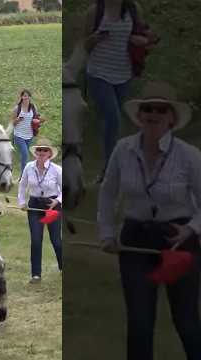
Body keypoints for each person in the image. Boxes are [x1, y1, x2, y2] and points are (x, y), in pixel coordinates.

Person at [97, 81, 201, 360]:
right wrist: (107, 234)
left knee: (187, 322)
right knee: (140, 325)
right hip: (135, 240)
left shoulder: (189, 155)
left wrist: (191, 230)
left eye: (161, 109)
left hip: (178, 241)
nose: (153, 114)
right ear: (140, 115)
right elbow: (107, 193)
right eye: (148, 109)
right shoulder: (123, 149)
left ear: (172, 118)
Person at [84, 0, 148, 182]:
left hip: (123, 74)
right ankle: (110, 170)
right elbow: (85, 44)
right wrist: (94, 38)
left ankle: (110, 166)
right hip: (98, 74)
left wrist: (138, 40)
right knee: (113, 119)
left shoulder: (134, 9)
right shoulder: (95, 11)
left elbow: (145, 38)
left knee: (112, 123)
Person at [18, 138, 62, 283]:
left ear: (50, 153)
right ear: (35, 153)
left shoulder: (57, 170)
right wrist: (22, 202)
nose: (41, 152)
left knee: (56, 240)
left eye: (45, 150)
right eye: (39, 150)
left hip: (51, 206)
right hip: (34, 205)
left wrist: (57, 201)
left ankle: (63, 267)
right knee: (36, 240)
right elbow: (22, 185)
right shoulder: (29, 167)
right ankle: (36, 274)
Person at [10, 89, 45, 179]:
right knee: (25, 154)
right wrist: (17, 120)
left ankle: (23, 175)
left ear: (30, 97)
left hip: (29, 135)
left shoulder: (33, 107)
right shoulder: (17, 108)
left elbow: (36, 118)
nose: (26, 97)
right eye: (24, 96)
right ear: (21, 97)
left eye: (27, 96)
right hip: (18, 135)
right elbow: (13, 123)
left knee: (25, 156)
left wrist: (39, 121)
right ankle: (23, 176)